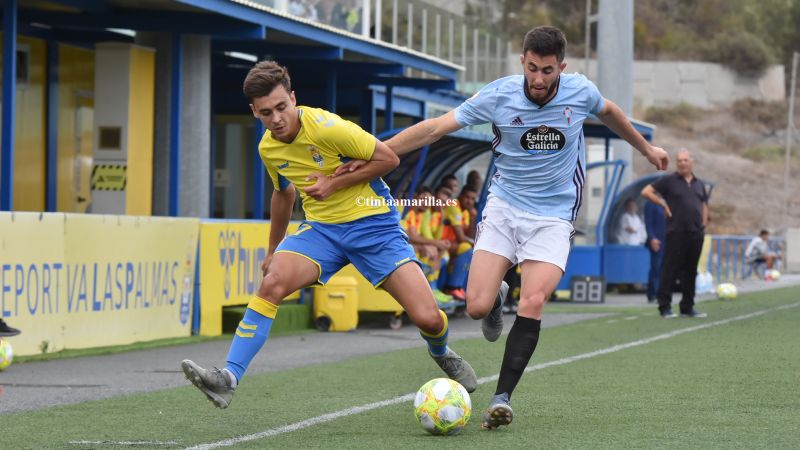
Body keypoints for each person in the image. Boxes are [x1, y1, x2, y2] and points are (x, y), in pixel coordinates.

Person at [337, 26, 668, 429]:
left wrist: (646, 149)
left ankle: (502, 398)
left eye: (548, 70)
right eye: (532, 68)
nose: (539, 79)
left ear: (562, 67)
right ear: (522, 62)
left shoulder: (579, 92)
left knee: (532, 303)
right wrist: (371, 150)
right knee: (476, 307)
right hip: (505, 207)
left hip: (554, 215)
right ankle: (496, 297)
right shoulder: (498, 95)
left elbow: (611, 112)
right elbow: (434, 128)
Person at [181, 61, 477, 409]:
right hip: (322, 231)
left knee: (427, 317)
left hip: (375, 227)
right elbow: (283, 194)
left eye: (281, 107)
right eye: (265, 113)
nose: (276, 119)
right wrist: (272, 249)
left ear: (293, 98)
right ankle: (228, 378)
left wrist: (333, 182)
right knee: (272, 282)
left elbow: (388, 159)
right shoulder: (268, 147)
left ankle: (442, 352)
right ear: (254, 112)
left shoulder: (328, 127)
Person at [642, 149, 708, 319]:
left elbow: (704, 205)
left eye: (685, 160)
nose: (682, 163)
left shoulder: (699, 184)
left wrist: (703, 224)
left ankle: (687, 306)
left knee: (691, 271)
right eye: (679, 160)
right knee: (669, 270)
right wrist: (662, 203)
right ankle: (664, 307)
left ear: (692, 162)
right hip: (675, 232)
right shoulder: (669, 181)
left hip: (695, 233)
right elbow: (646, 192)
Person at [643, 198, 666, 303]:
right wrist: (652, 238)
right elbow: (648, 223)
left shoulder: (667, 202)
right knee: (656, 267)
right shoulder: (651, 203)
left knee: (662, 268)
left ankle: (655, 293)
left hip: (666, 241)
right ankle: (655, 294)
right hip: (656, 241)